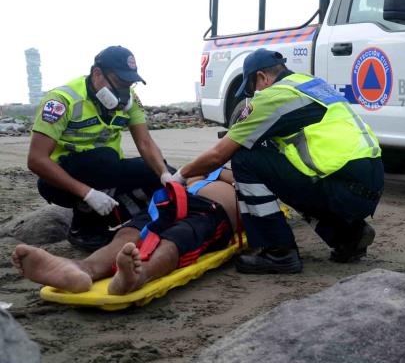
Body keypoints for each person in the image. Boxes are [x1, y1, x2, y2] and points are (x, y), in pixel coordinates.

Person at [170, 48, 384, 274]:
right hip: (370, 183)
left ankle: (277, 251)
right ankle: (349, 236)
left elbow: (218, 155)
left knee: (244, 158)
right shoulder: (311, 84)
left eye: (253, 88)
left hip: (342, 189)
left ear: (262, 77)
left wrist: (181, 175)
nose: (254, 94)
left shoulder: (272, 97)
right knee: (287, 168)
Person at [28, 46, 174, 251]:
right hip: (60, 178)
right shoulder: (62, 100)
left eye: (130, 84)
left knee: (160, 172)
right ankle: (83, 227)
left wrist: (164, 174)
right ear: (97, 74)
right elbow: (36, 160)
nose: (125, 91)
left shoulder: (129, 100)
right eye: (120, 82)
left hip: (107, 170)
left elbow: (145, 143)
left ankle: (121, 215)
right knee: (105, 159)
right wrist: (87, 193)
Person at [11, 171, 238, 295]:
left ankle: (137, 275)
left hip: (212, 212)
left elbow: (237, 180)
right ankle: (82, 269)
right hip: (174, 201)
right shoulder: (203, 170)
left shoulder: (239, 176)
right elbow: (191, 171)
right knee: (131, 232)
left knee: (177, 239)